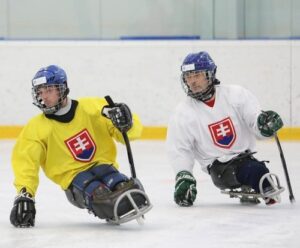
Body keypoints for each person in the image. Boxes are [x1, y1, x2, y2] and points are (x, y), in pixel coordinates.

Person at [10, 65, 152, 227]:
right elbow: (25, 162)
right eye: (40, 92)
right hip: (74, 179)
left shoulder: (93, 107)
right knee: (99, 193)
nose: (44, 97)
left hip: (104, 166)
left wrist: (127, 124)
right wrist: (25, 194)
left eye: (49, 90)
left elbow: (128, 134)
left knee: (121, 185)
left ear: (62, 89)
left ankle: (119, 192)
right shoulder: (35, 128)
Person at [166, 51, 284, 207]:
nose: (192, 81)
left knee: (257, 170)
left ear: (210, 74)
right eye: (188, 76)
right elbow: (180, 149)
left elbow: (253, 120)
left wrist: (263, 125)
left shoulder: (236, 95)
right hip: (219, 168)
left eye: (197, 75)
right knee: (256, 172)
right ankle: (265, 192)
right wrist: (184, 175)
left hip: (246, 158)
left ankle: (259, 189)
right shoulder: (183, 112)